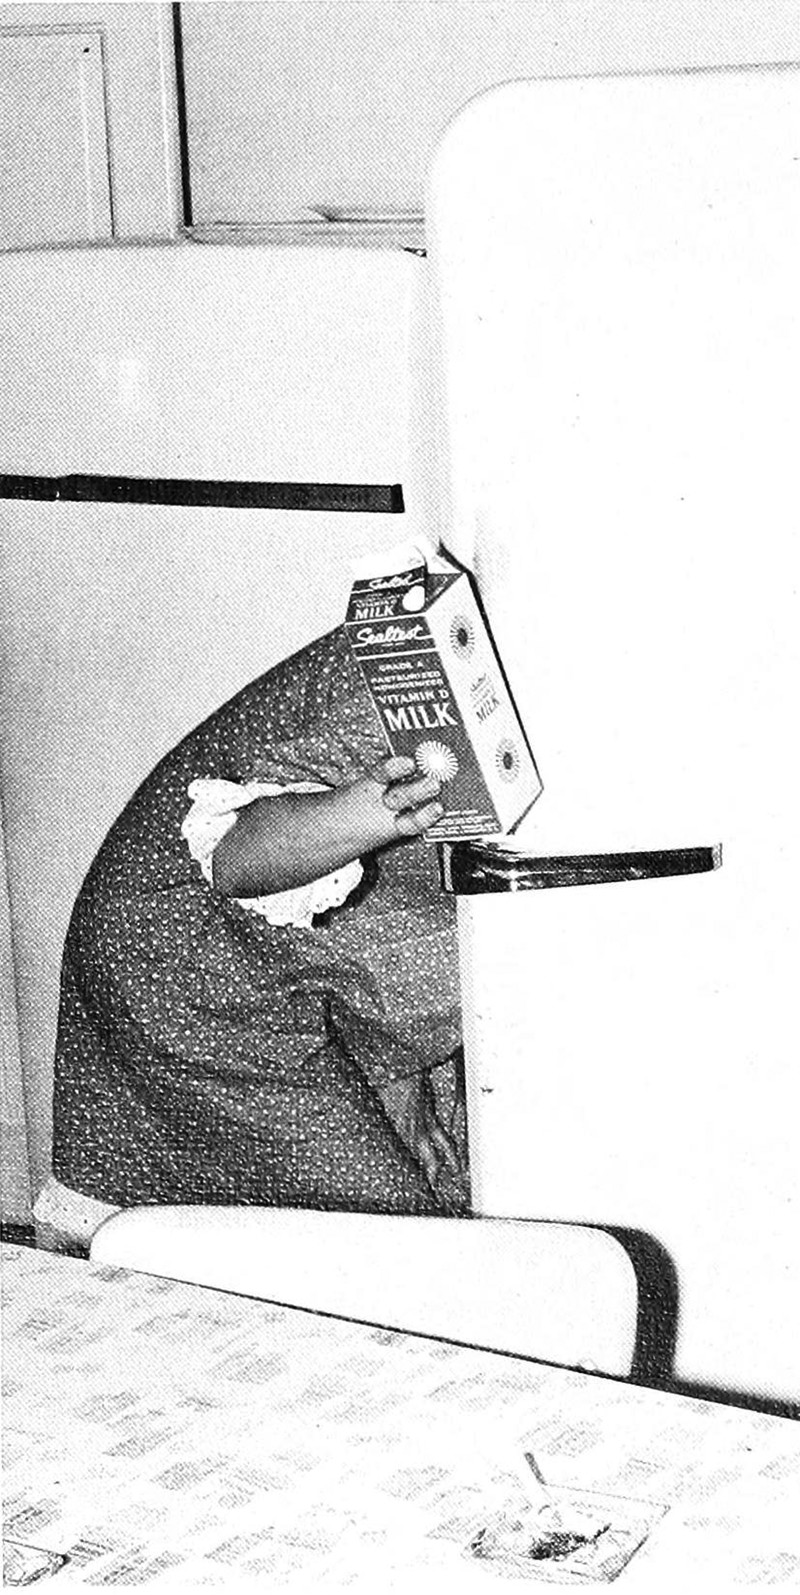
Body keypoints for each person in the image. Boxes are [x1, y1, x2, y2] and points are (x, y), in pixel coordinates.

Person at [35, 623, 469, 1251]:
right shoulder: (433, 662)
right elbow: (235, 856)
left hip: (287, 949)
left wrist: (394, 1070)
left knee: (415, 1207)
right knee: (385, 1243)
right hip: (179, 956)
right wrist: (366, 814)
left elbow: (385, 908)